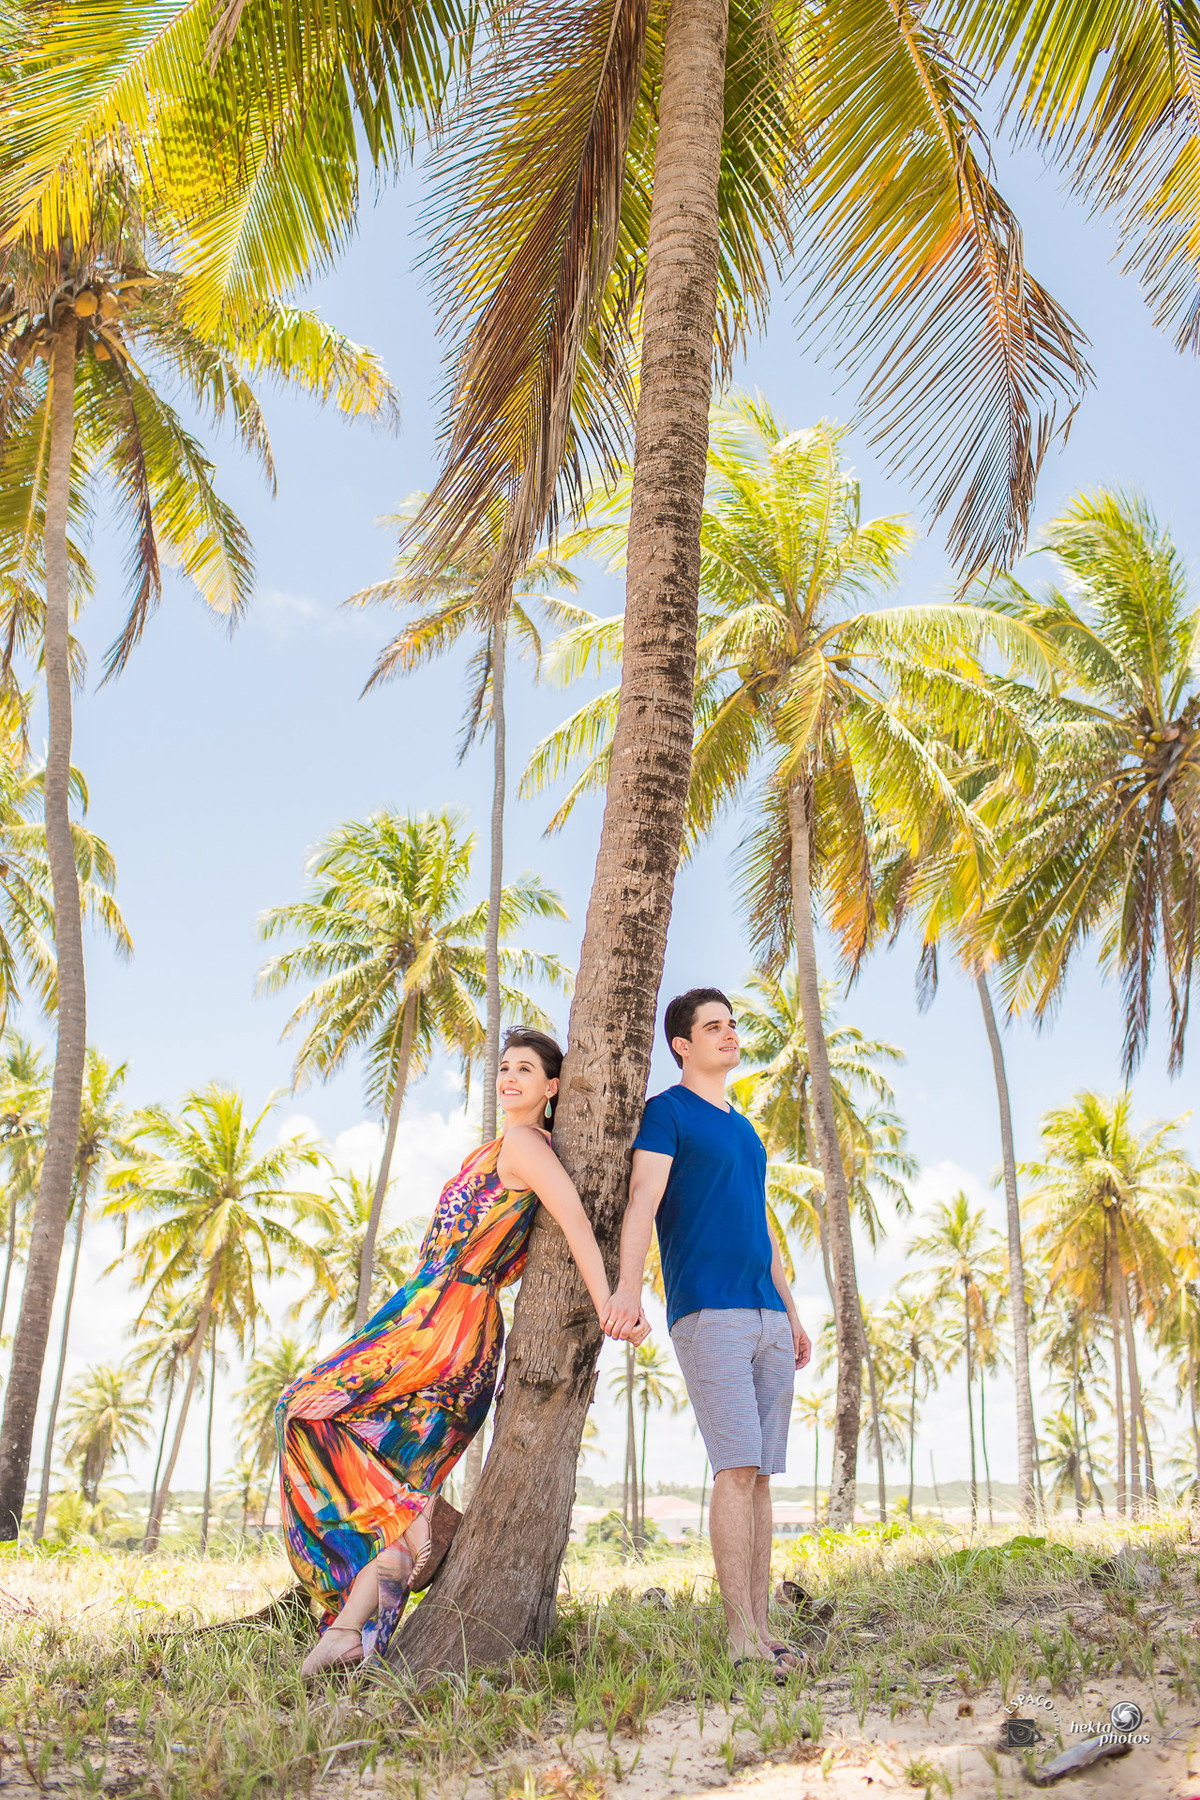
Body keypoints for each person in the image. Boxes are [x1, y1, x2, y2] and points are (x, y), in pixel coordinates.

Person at [276, 1026, 648, 1676]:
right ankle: (346, 1630)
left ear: (551, 1087)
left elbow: (576, 1222)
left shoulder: (529, 1147)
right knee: (395, 1477)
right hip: (426, 1311)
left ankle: (421, 1528)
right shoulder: (491, 1149)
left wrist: (615, 1301)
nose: (510, 1078)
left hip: (450, 1328)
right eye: (505, 1067)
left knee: (307, 1408)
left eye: (526, 1070)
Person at [605, 987, 811, 1676]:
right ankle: (738, 1637)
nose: (729, 1035)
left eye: (732, 1025)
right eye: (712, 1027)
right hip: (707, 1309)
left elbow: (762, 1228)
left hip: (766, 1313)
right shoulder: (667, 1114)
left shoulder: (747, 1129)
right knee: (736, 1467)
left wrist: (792, 1311)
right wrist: (628, 1290)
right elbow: (643, 1200)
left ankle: (763, 1628)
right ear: (682, 1045)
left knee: (761, 1479)